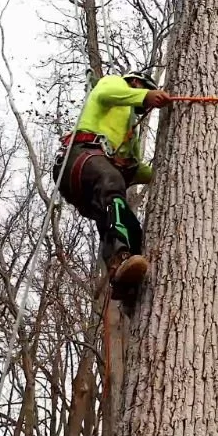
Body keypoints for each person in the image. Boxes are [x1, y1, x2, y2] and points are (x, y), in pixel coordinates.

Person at [54, 71, 172, 300]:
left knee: (131, 227)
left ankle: (124, 282)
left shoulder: (130, 135)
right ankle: (119, 255)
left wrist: (165, 173)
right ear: (136, 83)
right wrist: (146, 95)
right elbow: (107, 93)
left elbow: (136, 168)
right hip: (80, 157)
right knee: (112, 181)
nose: (141, 111)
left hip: (94, 184)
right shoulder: (114, 83)